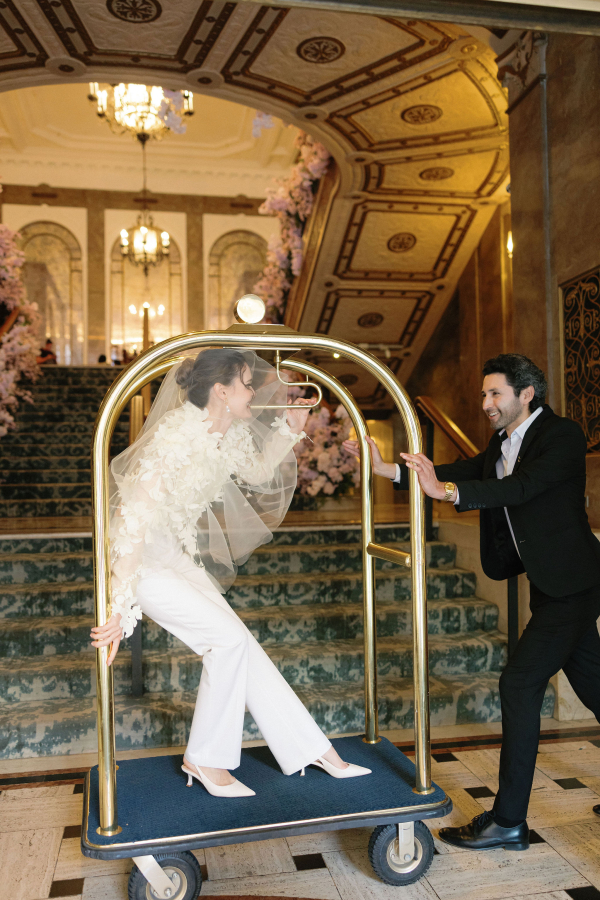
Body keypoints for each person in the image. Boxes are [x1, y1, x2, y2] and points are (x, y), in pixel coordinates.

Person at [344, 353, 600, 851]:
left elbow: (521, 488)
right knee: (594, 683)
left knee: (519, 682)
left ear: (526, 395)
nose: (485, 403)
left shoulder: (562, 437)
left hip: (575, 583)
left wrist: (448, 491)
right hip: (553, 584)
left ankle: (508, 822)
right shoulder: (502, 442)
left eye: (494, 394)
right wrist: (388, 470)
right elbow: (454, 468)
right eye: (484, 394)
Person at [90, 348, 371, 798]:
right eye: (245, 383)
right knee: (227, 642)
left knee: (241, 642)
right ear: (221, 391)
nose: (254, 391)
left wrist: (288, 430)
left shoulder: (229, 432)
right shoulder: (173, 439)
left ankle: (312, 749)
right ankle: (204, 758)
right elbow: (131, 521)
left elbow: (259, 471)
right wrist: (119, 605)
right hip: (141, 563)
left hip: (175, 556)